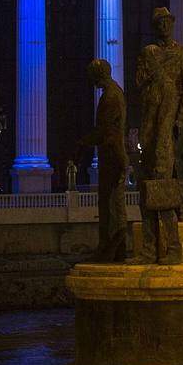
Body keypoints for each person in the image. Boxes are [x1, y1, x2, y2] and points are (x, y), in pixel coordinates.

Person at [132, 7, 183, 265]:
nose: (164, 26)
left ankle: (173, 248)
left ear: (172, 23)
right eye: (159, 23)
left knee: (164, 186)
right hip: (149, 127)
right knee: (146, 190)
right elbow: (139, 84)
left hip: (169, 129)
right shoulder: (149, 54)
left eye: (167, 22)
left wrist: (181, 120)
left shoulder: (182, 54)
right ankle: (148, 250)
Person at [76, 59, 128, 262]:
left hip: (112, 156)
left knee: (110, 205)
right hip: (112, 155)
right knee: (113, 204)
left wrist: (82, 143)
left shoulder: (110, 97)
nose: (90, 80)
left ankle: (109, 249)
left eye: (92, 75)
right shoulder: (113, 92)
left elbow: (106, 132)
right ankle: (116, 250)